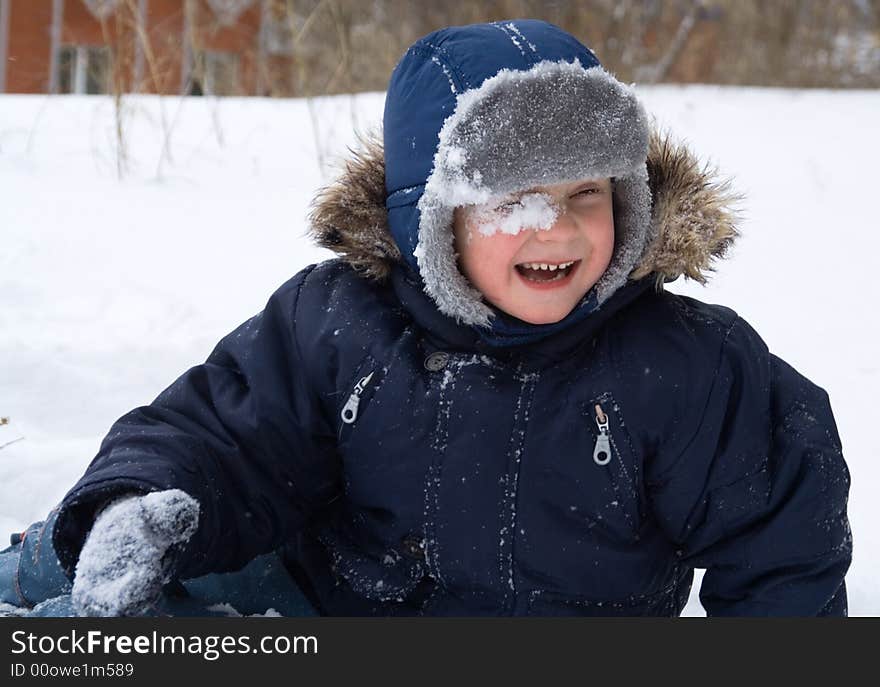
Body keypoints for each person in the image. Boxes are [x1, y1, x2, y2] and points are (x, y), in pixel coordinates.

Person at [0, 19, 852, 617]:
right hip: (320, 603)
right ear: (429, 218)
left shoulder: (689, 366)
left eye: (585, 194)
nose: (553, 227)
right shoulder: (339, 321)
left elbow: (781, 542)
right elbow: (229, 435)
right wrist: (139, 499)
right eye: (510, 199)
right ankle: (44, 557)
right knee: (114, 596)